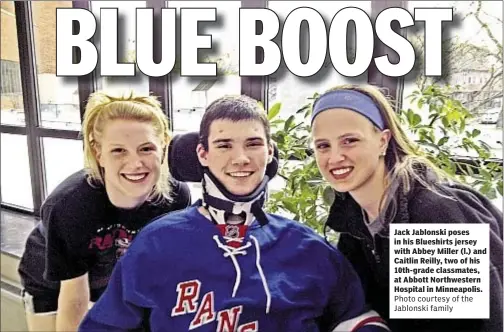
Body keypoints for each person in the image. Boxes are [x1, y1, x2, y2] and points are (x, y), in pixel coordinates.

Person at [78, 95, 390, 332]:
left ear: (269, 152)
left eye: (253, 143)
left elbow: (361, 319)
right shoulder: (156, 243)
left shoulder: (309, 247)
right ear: (202, 154)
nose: (240, 158)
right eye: (224, 145)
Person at [310, 84, 503, 332]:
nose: (335, 157)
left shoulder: (430, 214)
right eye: (323, 145)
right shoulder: (354, 219)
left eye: (350, 141)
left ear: (383, 141)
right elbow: (355, 307)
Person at [18, 91, 192, 332]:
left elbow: (163, 273)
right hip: (53, 284)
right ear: (98, 152)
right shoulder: (70, 205)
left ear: (163, 146)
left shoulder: (175, 197)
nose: (135, 163)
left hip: (112, 278)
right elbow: (74, 301)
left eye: (146, 149)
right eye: (119, 150)